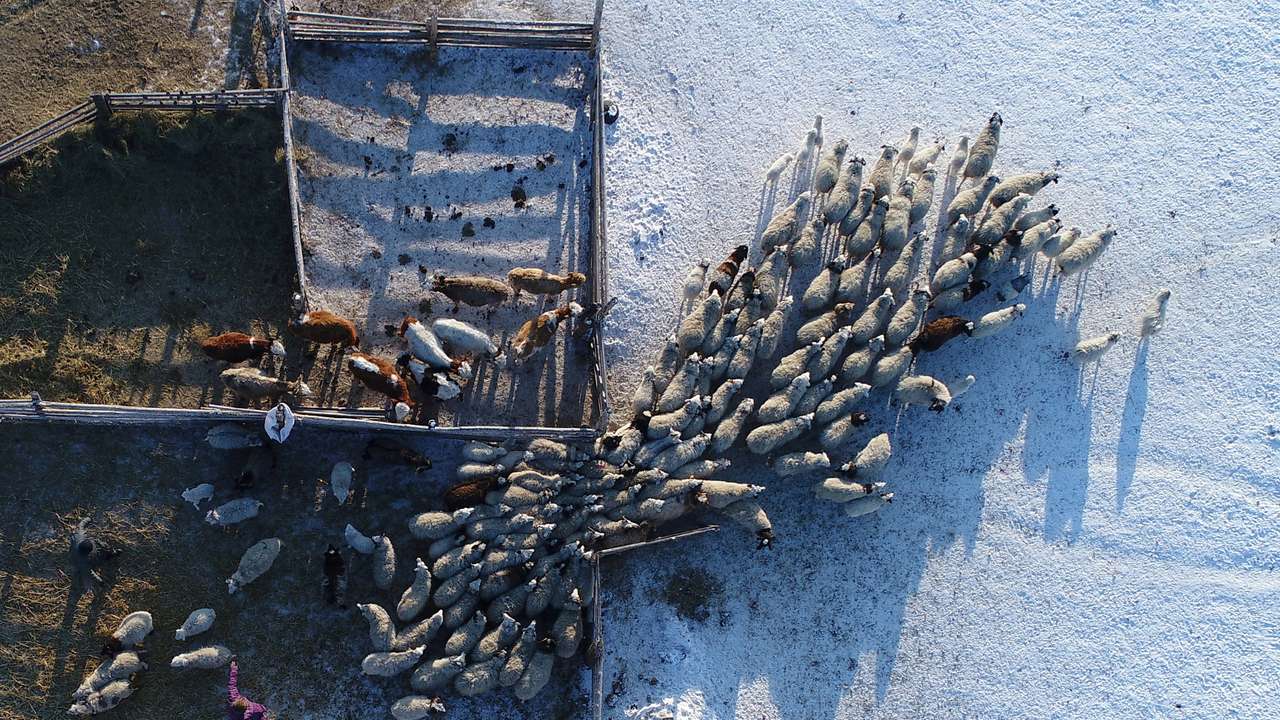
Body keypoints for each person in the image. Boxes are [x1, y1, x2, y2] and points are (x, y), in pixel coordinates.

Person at [68, 518, 120, 593]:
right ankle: (111, 555)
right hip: (85, 558)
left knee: (102, 545)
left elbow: (81, 525)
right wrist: (100, 581)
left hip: (79, 549)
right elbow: (90, 573)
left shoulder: (79, 537)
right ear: (88, 553)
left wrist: (87, 519)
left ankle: (111, 552)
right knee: (102, 558)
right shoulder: (83, 562)